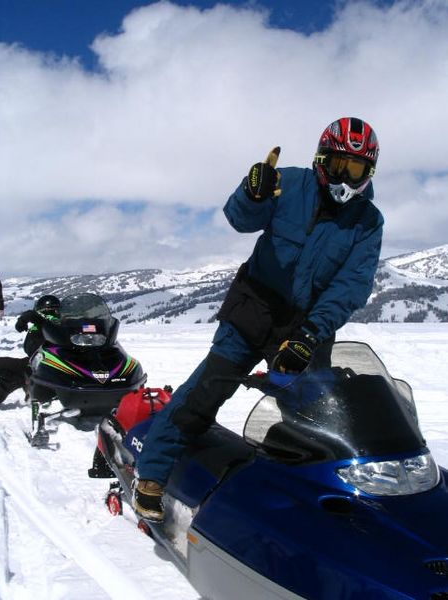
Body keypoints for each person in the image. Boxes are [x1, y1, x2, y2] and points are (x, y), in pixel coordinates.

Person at [133, 116, 384, 521]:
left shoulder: (368, 222)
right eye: (340, 166)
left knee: (315, 415)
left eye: (356, 169)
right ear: (322, 160)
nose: (346, 178)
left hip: (305, 326)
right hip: (254, 308)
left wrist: (310, 335)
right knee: (207, 391)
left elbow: (350, 286)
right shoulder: (289, 183)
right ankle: (152, 475)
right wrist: (252, 194)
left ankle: (319, 502)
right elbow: (240, 219)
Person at [0, 294, 60, 406]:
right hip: (33, 363)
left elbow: (34, 316)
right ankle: (18, 380)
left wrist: (24, 319)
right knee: (9, 379)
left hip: (40, 366)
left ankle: (21, 380)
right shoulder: (45, 323)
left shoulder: (52, 322)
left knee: (5, 369)